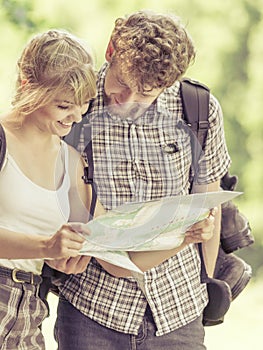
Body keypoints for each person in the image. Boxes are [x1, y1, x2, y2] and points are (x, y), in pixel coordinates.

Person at [53, 10, 231, 350]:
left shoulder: (199, 109)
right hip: (92, 308)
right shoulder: (72, 103)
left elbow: (210, 204)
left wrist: (205, 282)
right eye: (122, 85)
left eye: (145, 95)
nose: (129, 102)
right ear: (110, 50)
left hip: (179, 309)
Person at [0, 29, 99, 350]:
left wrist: (68, 255)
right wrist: (46, 246)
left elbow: (70, 243)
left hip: (29, 311)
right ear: (29, 88)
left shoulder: (71, 162)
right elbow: (45, 244)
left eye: (84, 104)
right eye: (64, 106)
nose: (77, 115)